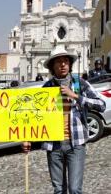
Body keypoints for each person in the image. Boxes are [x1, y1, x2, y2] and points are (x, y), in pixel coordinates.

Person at [22, 45, 106, 194]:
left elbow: (101, 104)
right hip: (54, 146)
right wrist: (28, 139)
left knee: (75, 190)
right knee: (59, 190)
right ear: (52, 67)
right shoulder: (46, 88)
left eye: (65, 61)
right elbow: (36, 118)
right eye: (58, 61)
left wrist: (76, 96)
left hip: (76, 145)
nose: (62, 64)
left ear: (69, 64)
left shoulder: (79, 83)